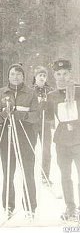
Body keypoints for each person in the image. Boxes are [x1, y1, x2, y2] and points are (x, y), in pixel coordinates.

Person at [0, 63, 39, 219]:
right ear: (8, 76)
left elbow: (36, 115)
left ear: (23, 77)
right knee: (8, 172)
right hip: (7, 135)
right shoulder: (1, 92)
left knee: (27, 172)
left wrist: (22, 115)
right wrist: (3, 114)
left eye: (19, 74)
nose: (16, 77)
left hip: (26, 135)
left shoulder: (30, 93)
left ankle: (30, 207)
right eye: (12, 74)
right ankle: (8, 206)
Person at [46, 59, 80, 221]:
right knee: (65, 175)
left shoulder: (79, 90)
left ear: (70, 74)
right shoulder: (51, 96)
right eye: (58, 74)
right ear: (54, 76)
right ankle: (70, 207)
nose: (61, 77)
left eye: (65, 73)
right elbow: (50, 119)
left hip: (79, 139)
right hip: (62, 141)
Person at [31, 66, 54, 185]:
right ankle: (29, 175)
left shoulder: (49, 91)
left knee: (46, 150)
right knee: (31, 149)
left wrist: (48, 106)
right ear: (35, 77)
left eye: (44, 76)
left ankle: (45, 175)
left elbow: (54, 108)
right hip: (34, 124)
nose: (42, 77)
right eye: (40, 75)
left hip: (45, 124)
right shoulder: (30, 91)